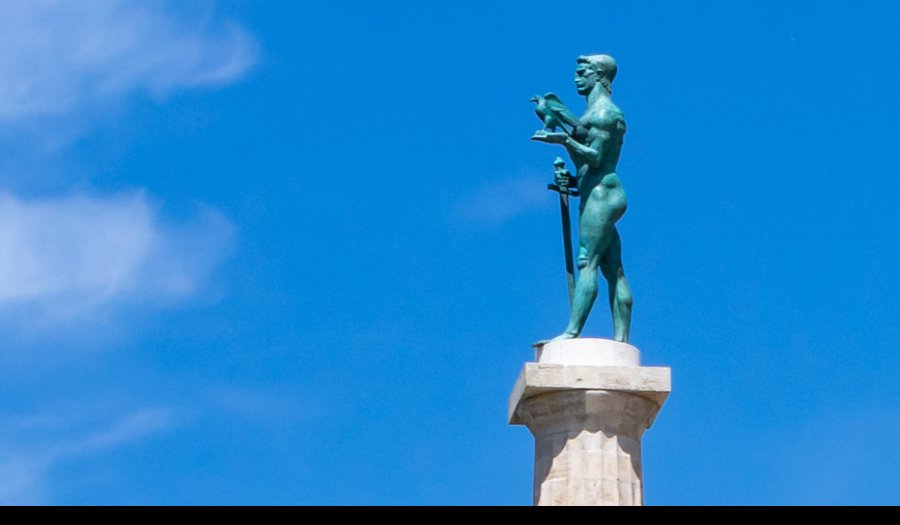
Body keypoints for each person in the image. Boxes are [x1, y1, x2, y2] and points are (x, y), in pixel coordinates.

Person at [532, 54, 633, 343]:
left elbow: (598, 158)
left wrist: (563, 140)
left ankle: (571, 332)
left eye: (582, 72)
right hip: (595, 191)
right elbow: (587, 162)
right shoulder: (593, 114)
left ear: (599, 75)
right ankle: (621, 342)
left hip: (602, 195)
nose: (576, 78)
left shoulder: (605, 114)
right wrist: (574, 180)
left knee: (586, 261)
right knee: (613, 268)